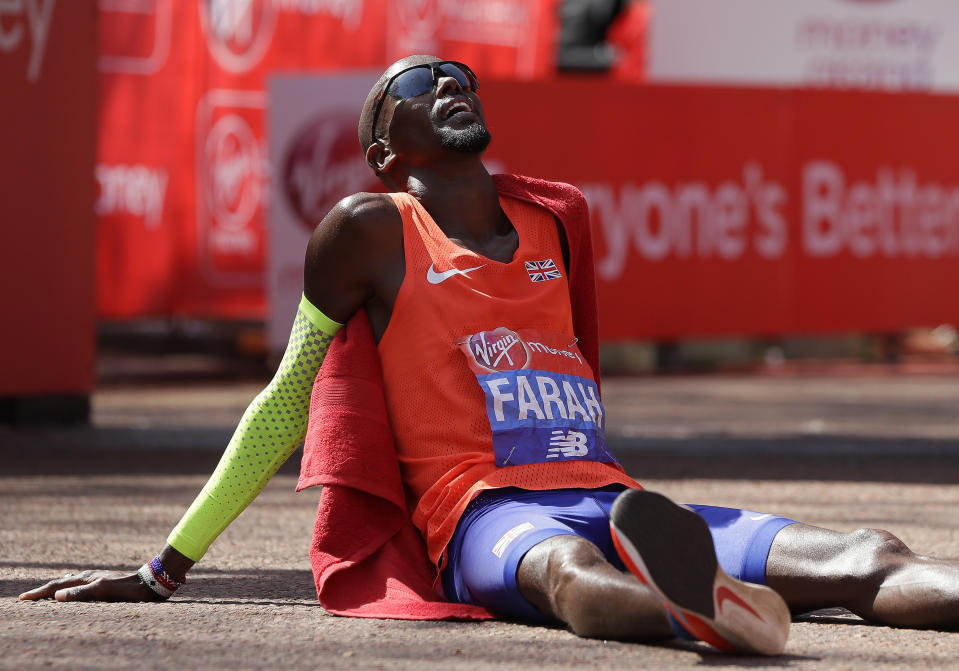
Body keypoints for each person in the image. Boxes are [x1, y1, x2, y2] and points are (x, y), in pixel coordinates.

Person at [20, 55, 959, 655]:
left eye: (457, 74)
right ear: (385, 152)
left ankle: (694, 594)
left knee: (868, 552)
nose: (447, 82)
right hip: (482, 513)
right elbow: (283, 401)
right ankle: (699, 609)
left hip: (612, 494)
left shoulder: (550, 219)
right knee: (564, 578)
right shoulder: (369, 229)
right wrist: (163, 568)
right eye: (417, 84)